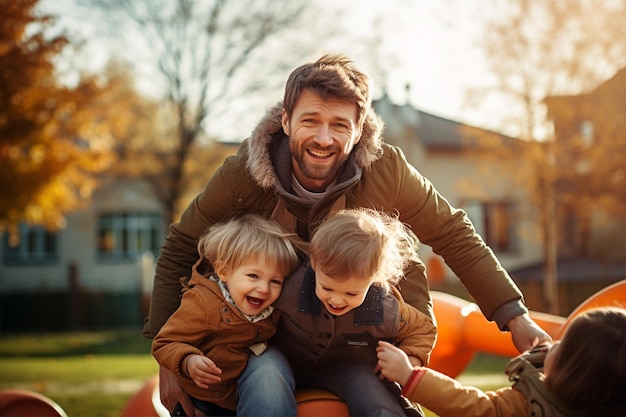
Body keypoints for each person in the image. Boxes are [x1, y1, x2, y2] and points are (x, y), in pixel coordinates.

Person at [142, 53, 552, 416]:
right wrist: (168, 360)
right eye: (310, 121)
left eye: (340, 125)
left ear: (360, 130)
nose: (324, 139)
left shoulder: (386, 170)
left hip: (359, 341)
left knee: (376, 401)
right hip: (264, 337)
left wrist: (513, 315)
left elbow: (452, 233)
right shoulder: (244, 175)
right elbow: (181, 245)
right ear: (285, 121)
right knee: (265, 385)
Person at [272, 208, 437, 416]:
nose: (337, 300)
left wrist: (409, 360)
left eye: (351, 293)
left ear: (375, 280)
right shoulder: (290, 288)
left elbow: (422, 329)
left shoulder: (382, 307)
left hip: (347, 366)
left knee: (379, 404)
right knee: (266, 376)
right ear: (314, 264)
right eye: (327, 288)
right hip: (285, 358)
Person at [151, 213, 304, 415]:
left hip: (234, 395)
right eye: (253, 276)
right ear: (223, 271)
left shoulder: (270, 309)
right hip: (202, 399)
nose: (264, 289)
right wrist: (188, 361)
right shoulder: (203, 303)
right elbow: (165, 342)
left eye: (275, 281)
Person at [376, 307, 626, 417]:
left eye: (564, 344)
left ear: (570, 370)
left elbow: (470, 405)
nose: (556, 343)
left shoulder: (528, 405)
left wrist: (409, 376)